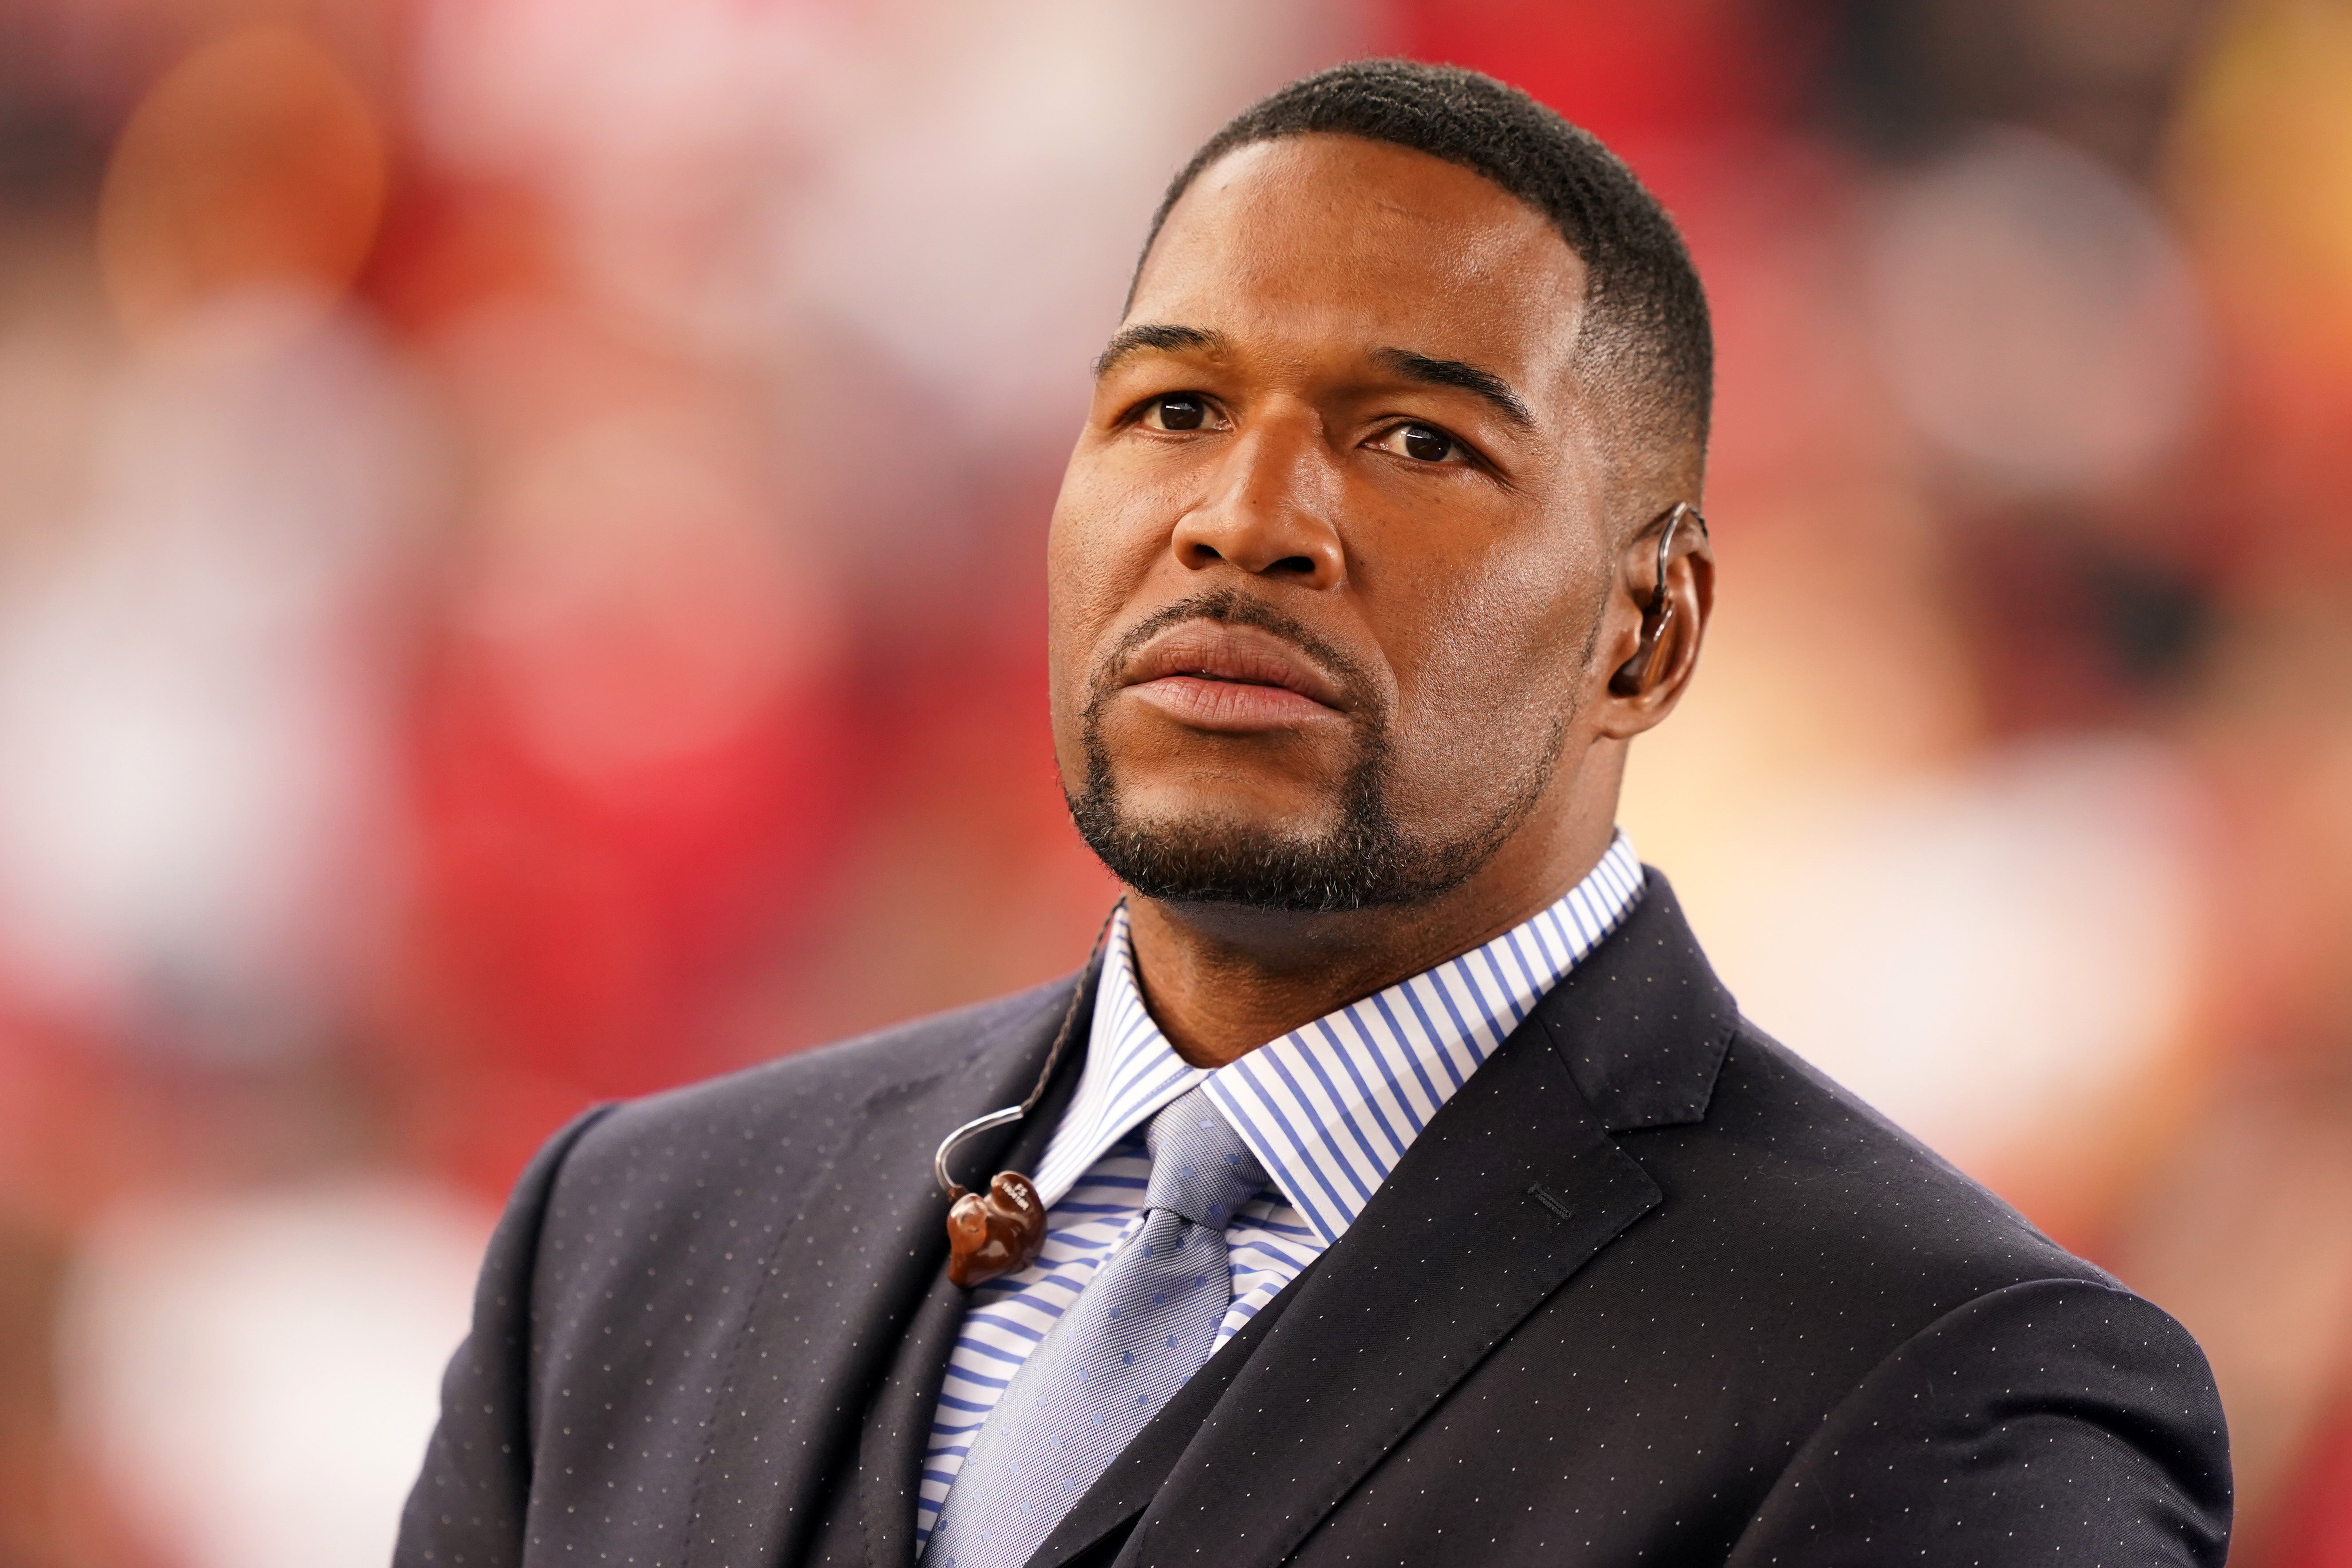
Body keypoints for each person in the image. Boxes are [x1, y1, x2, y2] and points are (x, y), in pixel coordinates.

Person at [397, 60, 2230, 1568]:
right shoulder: (627, 1236)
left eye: (1418, 439)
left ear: (1647, 623)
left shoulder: (1940, 1383)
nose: (1241, 514)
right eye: (1173, 406)